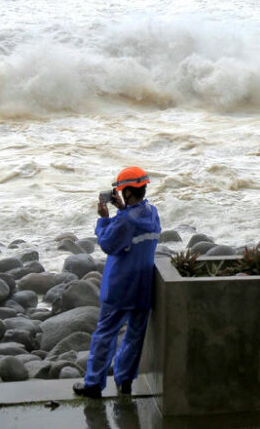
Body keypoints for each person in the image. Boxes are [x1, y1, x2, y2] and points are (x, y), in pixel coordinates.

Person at [74, 166, 161, 399]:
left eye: (123, 191)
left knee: (105, 334)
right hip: (143, 286)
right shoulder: (152, 213)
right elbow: (134, 223)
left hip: (120, 286)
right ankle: (125, 381)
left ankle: (93, 384)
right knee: (134, 336)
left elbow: (108, 244)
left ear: (128, 192)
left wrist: (103, 220)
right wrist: (122, 209)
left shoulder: (125, 222)